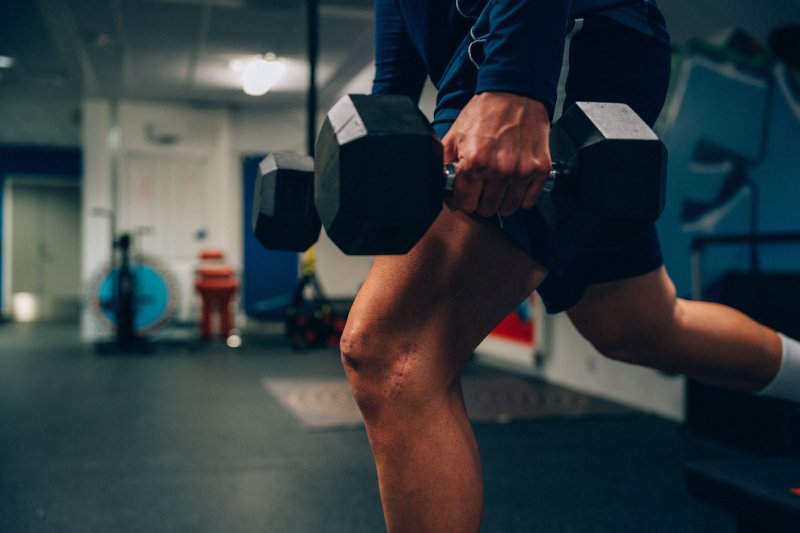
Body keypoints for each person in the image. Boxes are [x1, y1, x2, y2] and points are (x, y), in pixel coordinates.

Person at [338, 0, 800, 531]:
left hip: (543, 42)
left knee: (394, 354)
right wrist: (383, 123)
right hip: (510, 53)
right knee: (638, 324)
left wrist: (516, 80)